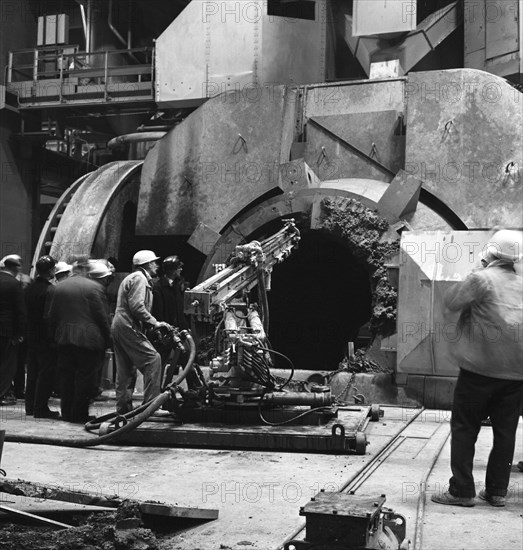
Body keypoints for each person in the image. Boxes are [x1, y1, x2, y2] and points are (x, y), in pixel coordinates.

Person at [432, 230, 523, 508]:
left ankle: (462, 491)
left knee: (464, 428)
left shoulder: (480, 279)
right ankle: (497, 491)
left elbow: (451, 301)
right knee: (506, 431)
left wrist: (478, 268)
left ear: (491, 252)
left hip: (479, 371)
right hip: (517, 374)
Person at [47, 258, 111, 423]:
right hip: (89, 340)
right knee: (85, 378)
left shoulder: (59, 287)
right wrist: (108, 338)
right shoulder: (94, 288)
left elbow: (51, 316)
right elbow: (101, 317)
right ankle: (79, 414)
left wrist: (53, 337)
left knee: (66, 378)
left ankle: (67, 412)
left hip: (63, 339)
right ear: (86, 270)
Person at [111, 250, 169, 415]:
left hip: (120, 325)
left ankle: (123, 410)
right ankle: (150, 407)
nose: (157, 265)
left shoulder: (132, 278)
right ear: (148, 264)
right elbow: (137, 307)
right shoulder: (140, 279)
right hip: (128, 325)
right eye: (155, 262)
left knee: (125, 371)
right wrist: (155, 323)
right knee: (153, 359)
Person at [25, 255, 59, 418]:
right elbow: (48, 316)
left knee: (32, 373)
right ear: (51, 270)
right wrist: (53, 338)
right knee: (45, 374)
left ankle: (30, 406)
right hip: (44, 339)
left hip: (31, 336)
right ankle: (40, 408)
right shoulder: (50, 290)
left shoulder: (29, 288)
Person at [151, 256, 190, 381]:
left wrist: (185, 326)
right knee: (160, 362)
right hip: (166, 332)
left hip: (180, 330)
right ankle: (155, 393)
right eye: (179, 267)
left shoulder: (179, 285)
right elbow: (158, 311)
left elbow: (182, 309)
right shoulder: (158, 287)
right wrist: (163, 330)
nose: (181, 269)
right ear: (173, 270)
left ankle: (195, 391)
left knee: (188, 361)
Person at [0, 255, 26, 405]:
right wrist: (20, 333)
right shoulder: (14, 284)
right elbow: (20, 311)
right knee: (7, 364)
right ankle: (2, 394)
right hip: (7, 330)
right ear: (15, 269)